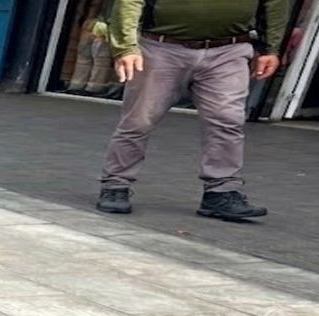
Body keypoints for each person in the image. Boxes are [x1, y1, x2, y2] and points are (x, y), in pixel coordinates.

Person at [96, 0, 289, 221]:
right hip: (161, 47)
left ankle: (221, 191)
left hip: (229, 50)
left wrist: (271, 48)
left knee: (227, 121)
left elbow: (276, 4)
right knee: (138, 120)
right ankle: (116, 184)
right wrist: (126, 47)